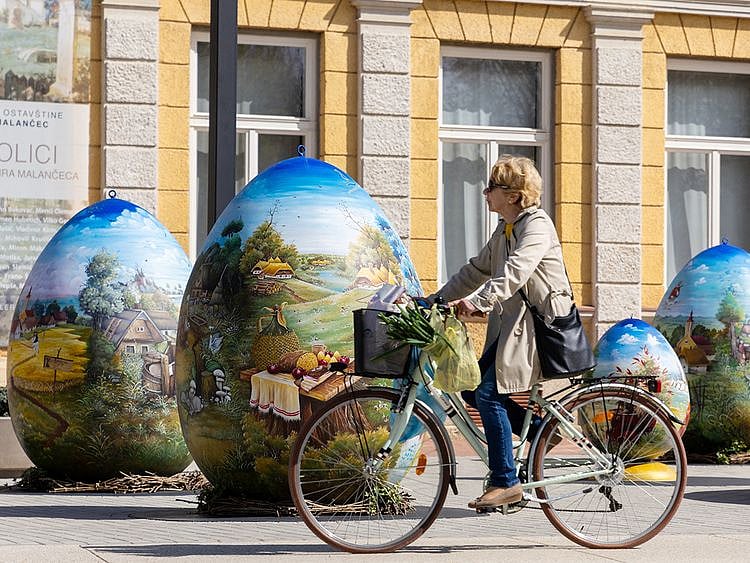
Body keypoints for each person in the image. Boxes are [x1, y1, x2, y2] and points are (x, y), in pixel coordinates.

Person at [429, 155, 573, 509]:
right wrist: (435, 298)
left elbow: (516, 270)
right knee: (473, 391)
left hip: (542, 328)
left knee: (489, 394)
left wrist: (480, 302)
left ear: (513, 195)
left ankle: (505, 482)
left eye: (492, 187)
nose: (485, 193)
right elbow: (477, 269)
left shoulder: (536, 226)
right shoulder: (506, 228)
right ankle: (541, 432)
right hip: (515, 326)